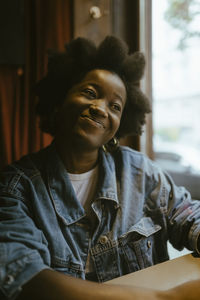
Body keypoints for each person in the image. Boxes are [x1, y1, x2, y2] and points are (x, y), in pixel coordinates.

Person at [0, 36, 200, 300]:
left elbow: (187, 215)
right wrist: (165, 298)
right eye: (90, 93)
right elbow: (29, 279)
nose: (101, 109)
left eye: (115, 106)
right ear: (59, 101)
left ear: (119, 126)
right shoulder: (15, 187)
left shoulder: (141, 172)